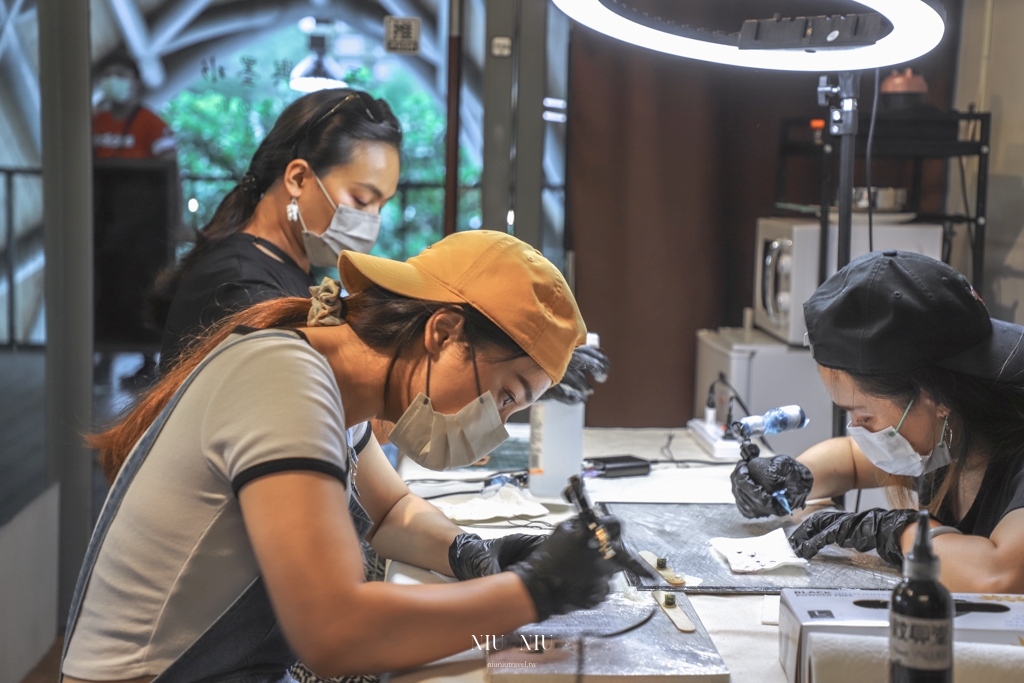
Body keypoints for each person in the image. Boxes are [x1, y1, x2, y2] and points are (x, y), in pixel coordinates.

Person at [62, 230, 647, 683]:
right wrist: (532, 593)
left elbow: (391, 513)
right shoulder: (284, 383)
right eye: (506, 396)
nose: (499, 422)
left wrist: (476, 554)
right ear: (443, 333)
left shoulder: (330, 389)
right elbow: (334, 634)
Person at [731, 251, 1024, 593]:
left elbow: (1001, 576)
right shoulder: (949, 435)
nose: (858, 430)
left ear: (935, 398)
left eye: (864, 416)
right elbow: (853, 460)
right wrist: (792, 478)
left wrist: (897, 531)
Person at [156, 88, 400, 375]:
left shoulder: (286, 267)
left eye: (380, 206)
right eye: (361, 200)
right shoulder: (240, 288)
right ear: (297, 178)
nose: (372, 220)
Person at [92, 51, 177, 388]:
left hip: (144, 230)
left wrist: (174, 219)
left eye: (122, 74)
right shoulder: (96, 123)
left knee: (143, 288)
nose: (115, 80)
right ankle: (103, 358)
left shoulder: (152, 125)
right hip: (104, 226)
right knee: (103, 287)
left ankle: (148, 362)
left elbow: (170, 172)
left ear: (137, 83)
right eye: (109, 73)